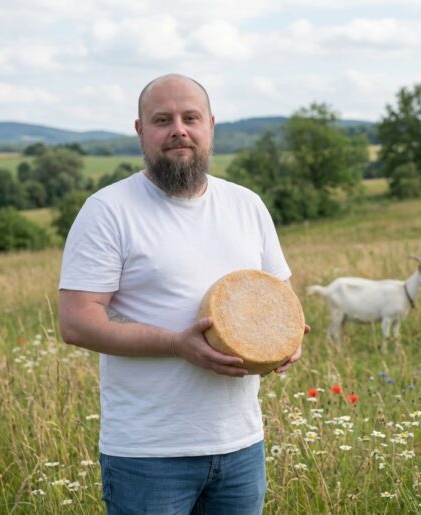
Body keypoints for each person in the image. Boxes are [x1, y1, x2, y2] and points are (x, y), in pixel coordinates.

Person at [58, 73, 305, 515]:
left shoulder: (246, 205)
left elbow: (280, 299)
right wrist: (177, 344)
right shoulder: (108, 211)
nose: (179, 129)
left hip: (240, 446)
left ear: (211, 125)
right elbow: (76, 322)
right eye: (162, 119)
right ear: (140, 131)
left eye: (191, 117)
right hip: (148, 454)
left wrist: (287, 342)